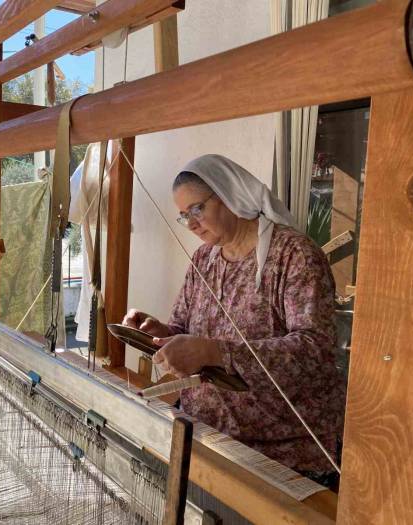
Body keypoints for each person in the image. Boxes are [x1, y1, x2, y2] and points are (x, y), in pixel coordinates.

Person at [123, 154, 345, 488]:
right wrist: (160, 333)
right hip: (211, 435)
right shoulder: (204, 258)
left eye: (197, 209)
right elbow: (184, 329)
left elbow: (315, 351)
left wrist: (217, 353)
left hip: (284, 454)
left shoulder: (293, 255)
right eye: (184, 217)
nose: (192, 224)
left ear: (229, 193)